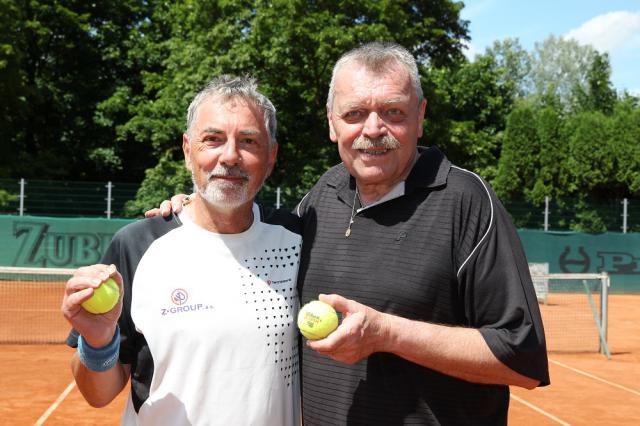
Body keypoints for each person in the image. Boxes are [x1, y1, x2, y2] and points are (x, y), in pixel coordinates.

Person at [152, 42, 550, 425]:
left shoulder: (467, 200)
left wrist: (388, 334)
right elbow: (244, 232)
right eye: (355, 113)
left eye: (393, 112)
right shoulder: (321, 197)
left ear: (420, 116)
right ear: (332, 122)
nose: (373, 129)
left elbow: (522, 357)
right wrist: (198, 205)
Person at [62, 75, 302, 425]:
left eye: (248, 141)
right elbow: (98, 395)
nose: (230, 156)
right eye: (213, 139)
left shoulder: (299, 240)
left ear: (271, 157)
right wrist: (98, 343)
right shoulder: (137, 245)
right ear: (188, 150)